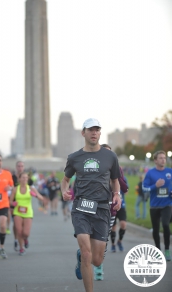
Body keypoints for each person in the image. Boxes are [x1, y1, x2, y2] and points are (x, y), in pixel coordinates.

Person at [61, 118, 121, 292]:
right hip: (81, 208)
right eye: (90, 130)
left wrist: (116, 195)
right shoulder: (74, 157)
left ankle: (81, 257)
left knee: (96, 260)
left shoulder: (110, 156)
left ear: (100, 133)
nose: (94, 133)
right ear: (83, 133)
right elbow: (65, 180)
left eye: (97, 129)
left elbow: (115, 180)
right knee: (87, 253)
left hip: (102, 209)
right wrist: (64, 191)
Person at [93, 144, 129, 280]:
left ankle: (99, 265)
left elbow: (124, 188)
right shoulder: (93, 167)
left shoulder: (117, 169)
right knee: (93, 238)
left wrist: (114, 176)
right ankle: (91, 258)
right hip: (95, 207)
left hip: (111, 208)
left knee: (103, 239)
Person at [143, 150, 172, 261]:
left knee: (165, 224)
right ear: (155, 160)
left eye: (164, 158)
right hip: (154, 205)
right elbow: (144, 188)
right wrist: (155, 185)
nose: (163, 160)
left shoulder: (170, 171)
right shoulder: (150, 173)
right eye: (160, 158)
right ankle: (158, 250)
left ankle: (167, 250)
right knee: (155, 229)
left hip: (167, 204)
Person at [10, 172, 44, 255]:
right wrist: (13, 204)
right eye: (23, 177)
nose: (25, 179)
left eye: (26, 178)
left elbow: (41, 198)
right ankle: (21, 248)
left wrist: (35, 195)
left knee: (26, 233)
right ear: (19, 179)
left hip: (28, 212)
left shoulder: (31, 188)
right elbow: (10, 201)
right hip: (17, 212)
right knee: (19, 231)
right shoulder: (15, 189)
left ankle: (25, 239)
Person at [11, 161, 33, 251]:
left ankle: (24, 238)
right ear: (16, 167)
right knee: (16, 225)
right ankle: (16, 240)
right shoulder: (12, 177)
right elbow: (8, 186)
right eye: (18, 166)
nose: (20, 168)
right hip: (14, 202)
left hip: (25, 204)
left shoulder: (28, 179)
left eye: (22, 166)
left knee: (24, 227)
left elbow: (32, 189)